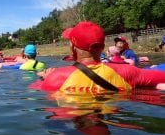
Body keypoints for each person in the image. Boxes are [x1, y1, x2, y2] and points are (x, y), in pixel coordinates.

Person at [32, 21, 165, 93]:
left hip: (75, 131)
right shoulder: (128, 71)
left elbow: (34, 89)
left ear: (72, 48)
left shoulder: (56, 77)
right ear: (102, 47)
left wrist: (44, 77)